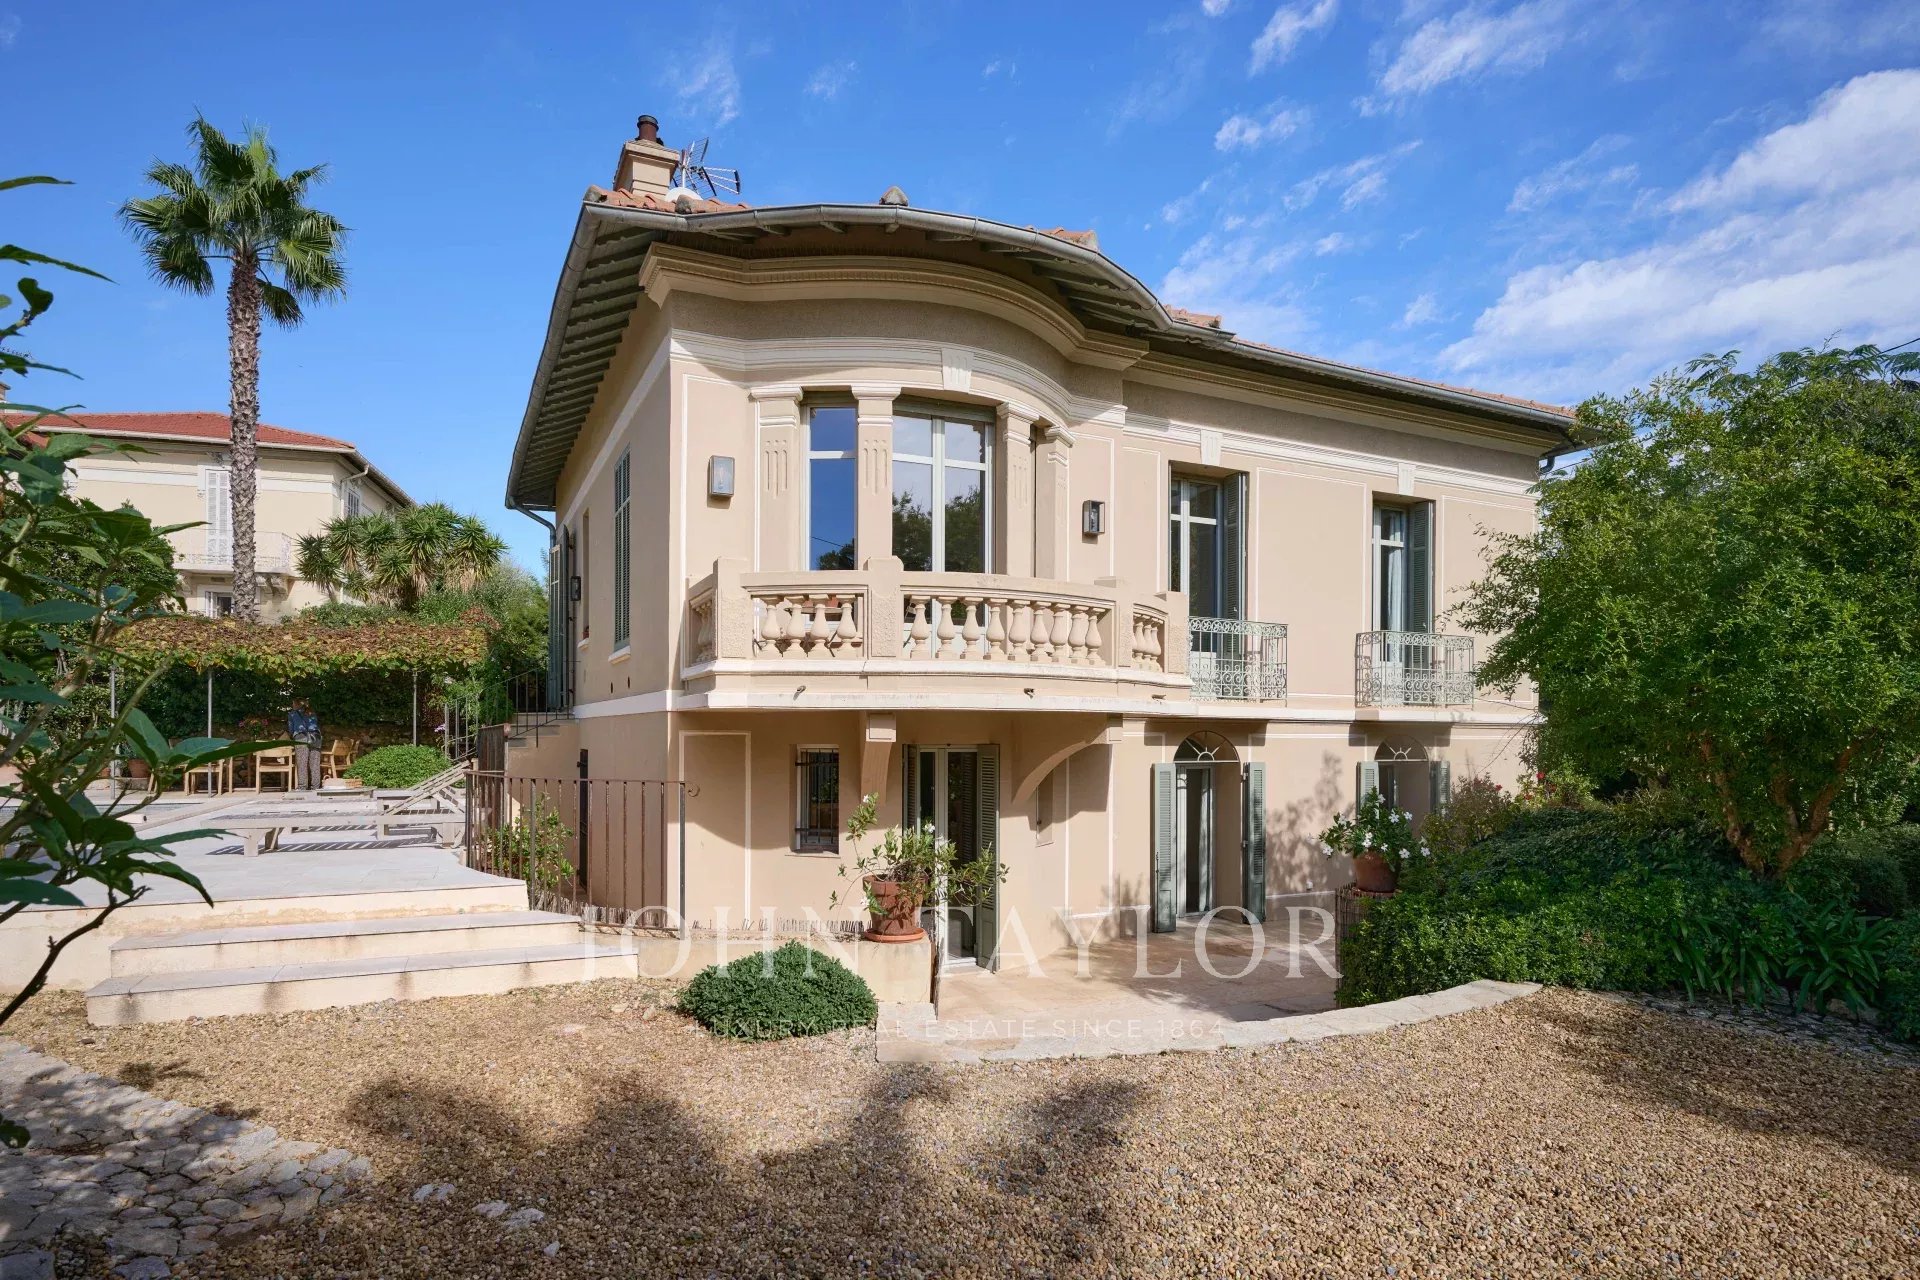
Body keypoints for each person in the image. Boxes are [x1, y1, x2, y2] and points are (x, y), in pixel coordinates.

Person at [288, 696, 322, 791]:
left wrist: (292, 736)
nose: (292, 705)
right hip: (315, 737)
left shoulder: (292, 714)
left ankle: (302, 787)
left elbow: (291, 729)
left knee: (302, 762)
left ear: (296, 704)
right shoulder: (312, 713)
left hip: (301, 737)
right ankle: (316, 786)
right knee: (315, 763)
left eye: (293, 703)